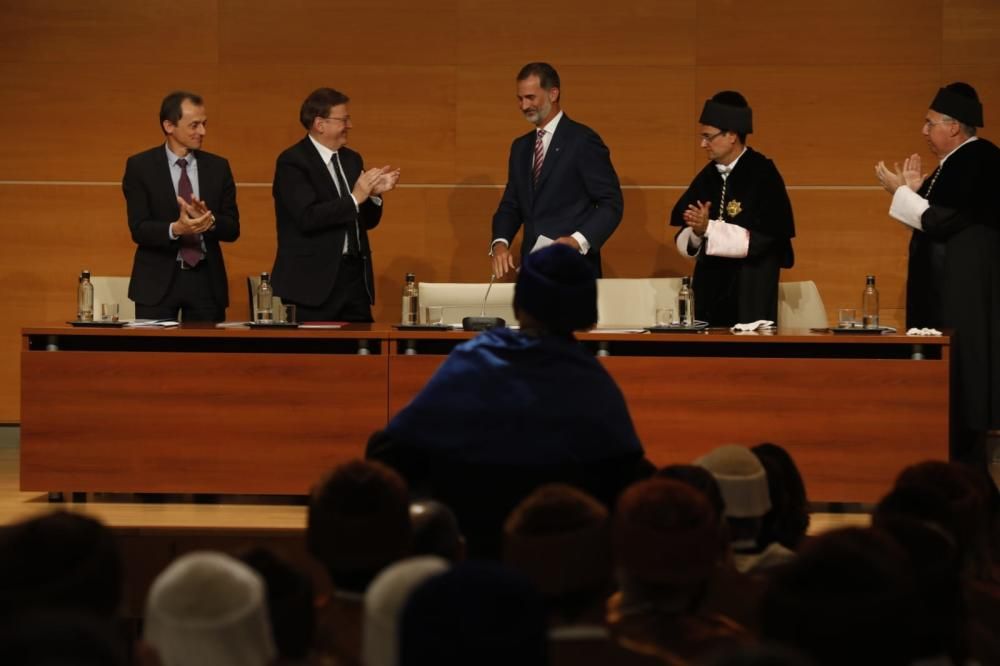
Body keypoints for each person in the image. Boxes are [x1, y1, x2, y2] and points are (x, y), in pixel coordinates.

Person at [368, 244, 648, 557]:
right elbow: (627, 472)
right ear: (587, 314)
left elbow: (389, 450)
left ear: (518, 305)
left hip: (472, 555)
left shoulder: (474, 360)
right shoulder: (593, 383)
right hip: (567, 563)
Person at [875, 82, 1000, 461]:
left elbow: (943, 222)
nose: (924, 131)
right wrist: (916, 192)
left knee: (965, 386)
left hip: (963, 291)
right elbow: (933, 217)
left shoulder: (978, 160)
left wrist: (903, 194)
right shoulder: (954, 164)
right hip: (949, 287)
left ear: (955, 127)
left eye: (930, 124)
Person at [271, 87, 400, 322]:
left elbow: (367, 222)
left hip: (354, 283)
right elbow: (307, 217)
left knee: (364, 354)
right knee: (318, 357)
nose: (349, 125)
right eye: (344, 119)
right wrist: (355, 197)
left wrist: (373, 195)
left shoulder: (352, 159)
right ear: (320, 124)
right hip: (311, 285)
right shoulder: (292, 162)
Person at [669, 91, 795, 326]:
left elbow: (767, 237)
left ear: (731, 136)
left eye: (708, 137)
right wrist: (697, 232)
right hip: (709, 290)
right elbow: (688, 232)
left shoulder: (763, 174)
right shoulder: (706, 178)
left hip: (750, 288)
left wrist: (710, 228)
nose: (702, 144)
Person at [491, 62, 623, 279]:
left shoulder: (582, 140)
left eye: (530, 97)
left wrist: (576, 242)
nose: (524, 106)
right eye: (520, 98)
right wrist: (500, 243)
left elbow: (611, 203)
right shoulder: (520, 147)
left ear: (553, 94)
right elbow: (511, 204)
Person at [123, 91, 239, 322]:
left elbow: (233, 228)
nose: (202, 132)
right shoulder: (140, 167)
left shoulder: (218, 167)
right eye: (194, 125)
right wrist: (176, 229)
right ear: (169, 125)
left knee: (206, 357)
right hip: (157, 281)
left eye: (204, 124)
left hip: (207, 281)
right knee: (154, 357)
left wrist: (210, 220)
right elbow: (139, 228)